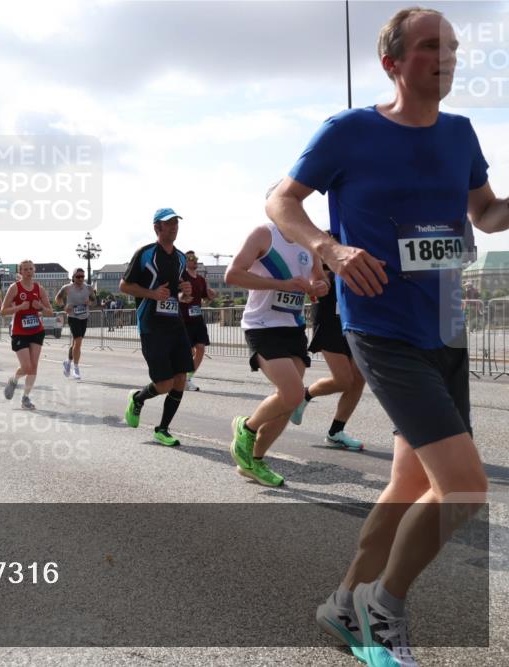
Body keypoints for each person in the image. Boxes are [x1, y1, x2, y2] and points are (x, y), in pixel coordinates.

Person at [266, 7, 506, 665]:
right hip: (381, 324)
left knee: (408, 483)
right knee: (464, 486)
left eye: (452, 46)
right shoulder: (350, 130)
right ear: (392, 62)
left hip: (445, 326)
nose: (446, 56)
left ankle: (344, 602)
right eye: (430, 45)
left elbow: (486, 213)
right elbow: (281, 201)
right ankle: (384, 607)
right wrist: (331, 248)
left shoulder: (460, 133)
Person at [225, 217, 328, 486]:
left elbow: (321, 280)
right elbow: (232, 275)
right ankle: (246, 427)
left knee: (289, 402)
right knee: (293, 393)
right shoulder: (263, 234)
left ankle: (254, 461)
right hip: (262, 326)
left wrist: (318, 287)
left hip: (293, 328)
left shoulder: (308, 242)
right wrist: (281, 284)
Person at [120, 208, 195, 446]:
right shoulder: (145, 254)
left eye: (175, 223)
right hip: (151, 326)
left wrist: (185, 294)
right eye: (168, 223)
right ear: (157, 228)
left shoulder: (181, 258)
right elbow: (124, 286)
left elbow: (176, 293)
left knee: (181, 378)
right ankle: (138, 398)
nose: (173, 227)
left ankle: (162, 429)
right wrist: (152, 294)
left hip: (175, 324)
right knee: (164, 384)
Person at [290, 259, 368, 451]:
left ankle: (336, 432)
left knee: (358, 379)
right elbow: (315, 283)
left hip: (356, 321)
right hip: (329, 323)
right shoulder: (321, 260)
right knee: (343, 380)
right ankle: (305, 395)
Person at [1, 259, 53, 410]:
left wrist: (40, 307)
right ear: (20, 272)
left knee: (34, 366)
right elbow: (3, 311)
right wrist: (19, 307)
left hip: (36, 330)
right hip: (20, 331)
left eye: (31, 269)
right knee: (26, 366)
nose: (29, 272)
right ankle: (14, 380)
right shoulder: (14, 288)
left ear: (34, 270)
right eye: (25, 269)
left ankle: (25, 398)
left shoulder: (39, 288)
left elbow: (50, 312)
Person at [180, 251, 217, 391]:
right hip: (184, 319)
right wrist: (181, 296)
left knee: (201, 348)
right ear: (185, 261)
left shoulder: (201, 280)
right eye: (191, 258)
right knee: (188, 352)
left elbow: (205, 299)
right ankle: (180, 378)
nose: (194, 260)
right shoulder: (181, 276)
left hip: (197, 319)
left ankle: (188, 378)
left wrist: (211, 296)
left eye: (195, 257)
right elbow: (175, 294)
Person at [56, 267, 95, 380]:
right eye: (78, 276)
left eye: (82, 276)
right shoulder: (67, 288)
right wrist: (64, 307)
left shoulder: (88, 288)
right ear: (73, 277)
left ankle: (68, 361)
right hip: (73, 317)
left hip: (84, 317)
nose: (80, 278)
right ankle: (76, 368)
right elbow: (58, 298)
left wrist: (90, 302)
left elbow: (94, 301)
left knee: (76, 343)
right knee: (78, 342)